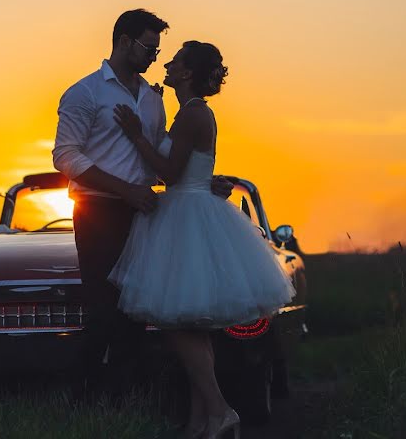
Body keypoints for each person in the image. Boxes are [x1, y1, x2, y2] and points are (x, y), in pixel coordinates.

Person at [109, 41, 296, 438]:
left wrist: (137, 134)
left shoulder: (194, 114)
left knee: (175, 326)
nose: (168, 64)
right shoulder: (191, 113)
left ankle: (220, 408)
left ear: (187, 73)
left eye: (175, 60)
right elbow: (187, 168)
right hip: (191, 210)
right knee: (192, 328)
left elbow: (169, 174)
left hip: (184, 215)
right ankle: (202, 422)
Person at [51, 10, 232, 397]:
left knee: (138, 311)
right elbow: (65, 156)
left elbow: (164, 150)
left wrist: (201, 180)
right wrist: (124, 190)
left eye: (159, 49)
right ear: (124, 41)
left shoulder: (153, 98)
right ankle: (79, 399)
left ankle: (129, 403)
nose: (155, 56)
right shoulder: (85, 93)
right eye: (150, 47)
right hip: (99, 211)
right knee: (103, 310)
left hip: (146, 212)